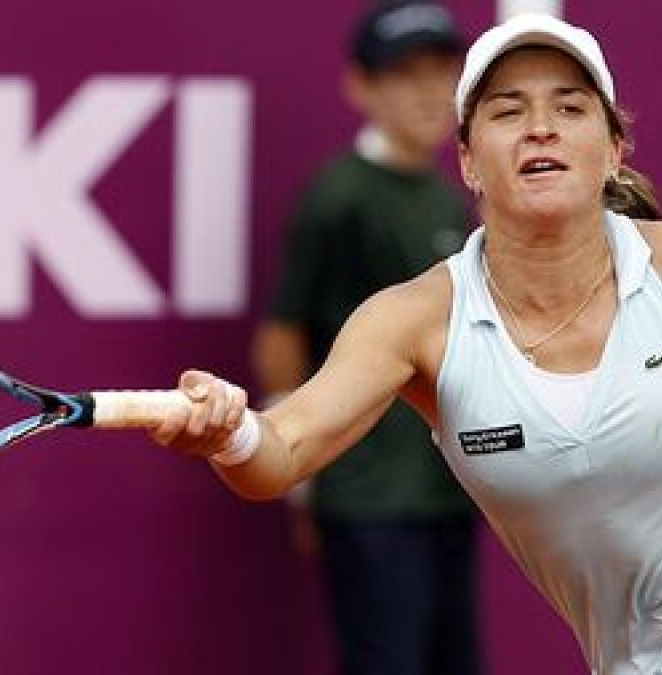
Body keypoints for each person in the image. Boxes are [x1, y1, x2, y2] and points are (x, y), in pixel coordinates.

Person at [153, 13, 662, 675]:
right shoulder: (414, 319)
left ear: (613, 150)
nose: (540, 126)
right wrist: (231, 430)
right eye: (507, 111)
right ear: (468, 161)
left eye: (571, 108)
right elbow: (282, 450)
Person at [250, 2, 483, 674]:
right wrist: (297, 475)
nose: (429, 91)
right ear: (360, 87)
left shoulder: (447, 198)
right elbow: (282, 334)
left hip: (450, 490)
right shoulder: (338, 196)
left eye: (441, 71)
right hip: (369, 498)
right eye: (405, 74)